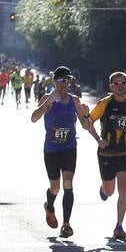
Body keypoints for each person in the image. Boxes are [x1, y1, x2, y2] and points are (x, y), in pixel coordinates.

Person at [85, 71, 126, 240]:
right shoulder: (105, 103)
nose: (120, 87)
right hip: (106, 153)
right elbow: (88, 122)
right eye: (116, 84)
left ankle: (119, 226)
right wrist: (98, 140)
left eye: (123, 83)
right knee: (110, 191)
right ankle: (104, 189)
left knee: (124, 189)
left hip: (125, 152)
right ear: (111, 86)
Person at [30, 66, 90, 238]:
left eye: (68, 80)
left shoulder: (75, 100)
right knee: (55, 188)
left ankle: (66, 224)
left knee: (68, 184)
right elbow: (34, 118)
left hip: (69, 148)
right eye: (62, 80)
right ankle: (49, 206)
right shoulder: (48, 98)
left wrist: (86, 115)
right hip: (51, 150)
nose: (65, 83)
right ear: (54, 81)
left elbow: (86, 125)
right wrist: (46, 105)